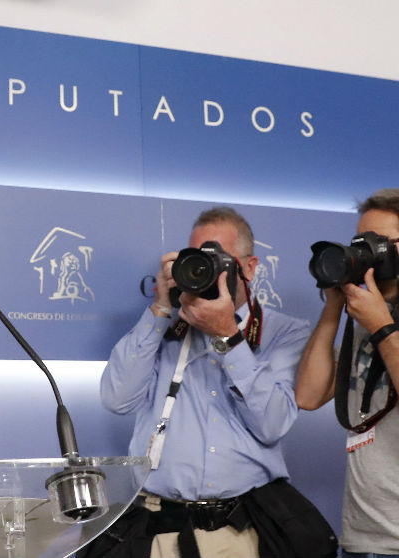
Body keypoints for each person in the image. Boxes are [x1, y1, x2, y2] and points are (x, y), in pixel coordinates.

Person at [84, 207, 335, 557]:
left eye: (219, 259)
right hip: (157, 529)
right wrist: (159, 308)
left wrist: (228, 338)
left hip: (240, 532)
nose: (207, 269)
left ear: (249, 267)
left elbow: (273, 424)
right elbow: (116, 399)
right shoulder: (166, 326)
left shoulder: (285, 332)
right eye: (198, 259)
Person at [296, 189, 399, 558]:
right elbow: (308, 396)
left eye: (380, 242)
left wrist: (382, 325)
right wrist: (333, 309)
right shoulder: (364, 314)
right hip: (360, 536)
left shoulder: (376, 318)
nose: (366, 250)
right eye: (361, 240)